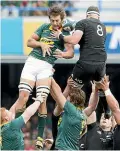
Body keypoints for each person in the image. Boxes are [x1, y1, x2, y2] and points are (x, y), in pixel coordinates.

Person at [15, 5, 74, 149]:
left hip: (47, 67)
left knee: (41, 99)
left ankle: (40, 137)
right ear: (49, 19)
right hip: (32, 62)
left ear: (62, 19)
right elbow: (29, 42)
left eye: (57, 20)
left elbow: (70, 53)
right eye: (52, 20)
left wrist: (63, 55)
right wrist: (41, 44)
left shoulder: (64, 33)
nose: (55, 23)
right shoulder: (43, 27)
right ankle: (15, 131)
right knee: (23, 96)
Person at [52, 5, 107, 88]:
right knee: (99, 90)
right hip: (101, 64)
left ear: (87, 15)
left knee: (72, 90)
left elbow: (74, 40)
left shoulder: (83, 22)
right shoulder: (103, 26)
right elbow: (92, 42)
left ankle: (68, 100)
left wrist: (61, 36)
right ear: (98, 16)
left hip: (86, 62)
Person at [50, 77, 99, 150]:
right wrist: (95, 91)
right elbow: (92, 106)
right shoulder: (81, 114)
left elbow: (58, 94)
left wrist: (49, 75)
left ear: (73, 100)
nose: (66, 98)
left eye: (68, 96)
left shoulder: (71, 110)